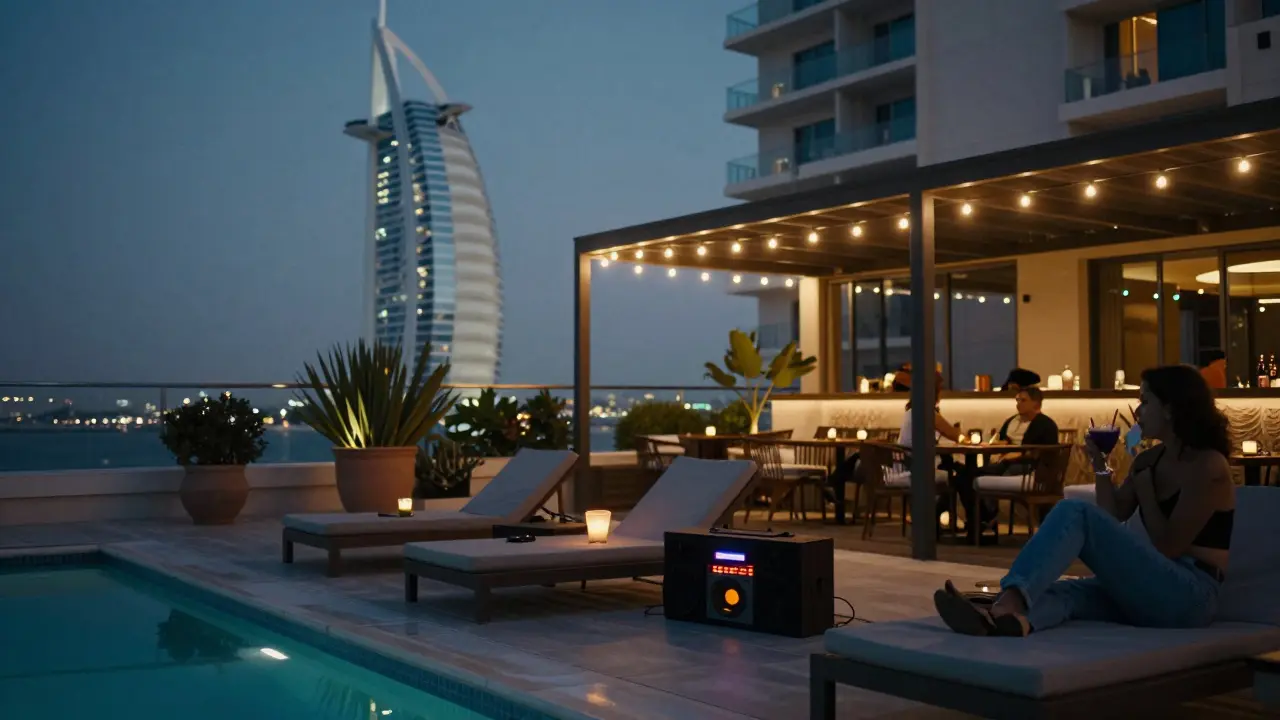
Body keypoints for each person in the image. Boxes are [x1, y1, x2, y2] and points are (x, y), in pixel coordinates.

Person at [932, 364, 1235, 637]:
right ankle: (1006, 622)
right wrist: (1101, 464)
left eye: (1145, 401)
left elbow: (1169, 546)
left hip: (1190, 596)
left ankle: (1006, 602)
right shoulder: (1149, 460)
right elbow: (1112, 515)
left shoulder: (1207, 466)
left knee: (1074, 510)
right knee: (1066, 593)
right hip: (1151, 588)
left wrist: (1146, 493)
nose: (1137, 410)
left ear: (1170, 408)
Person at [951, 387, 1060, 531]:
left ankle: (985, 517)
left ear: (1036, 403)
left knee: (973, 475)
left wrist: (1017, 455)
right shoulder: (1011, 421)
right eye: (1017, 400)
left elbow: (1044, 453)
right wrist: (995, 445)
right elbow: (1002, 440)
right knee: (964, 477)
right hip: (1004, 463)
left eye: (1023, 400)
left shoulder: (1046, 425)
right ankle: (983, 517)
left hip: (1030, 469)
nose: (1018, 404)